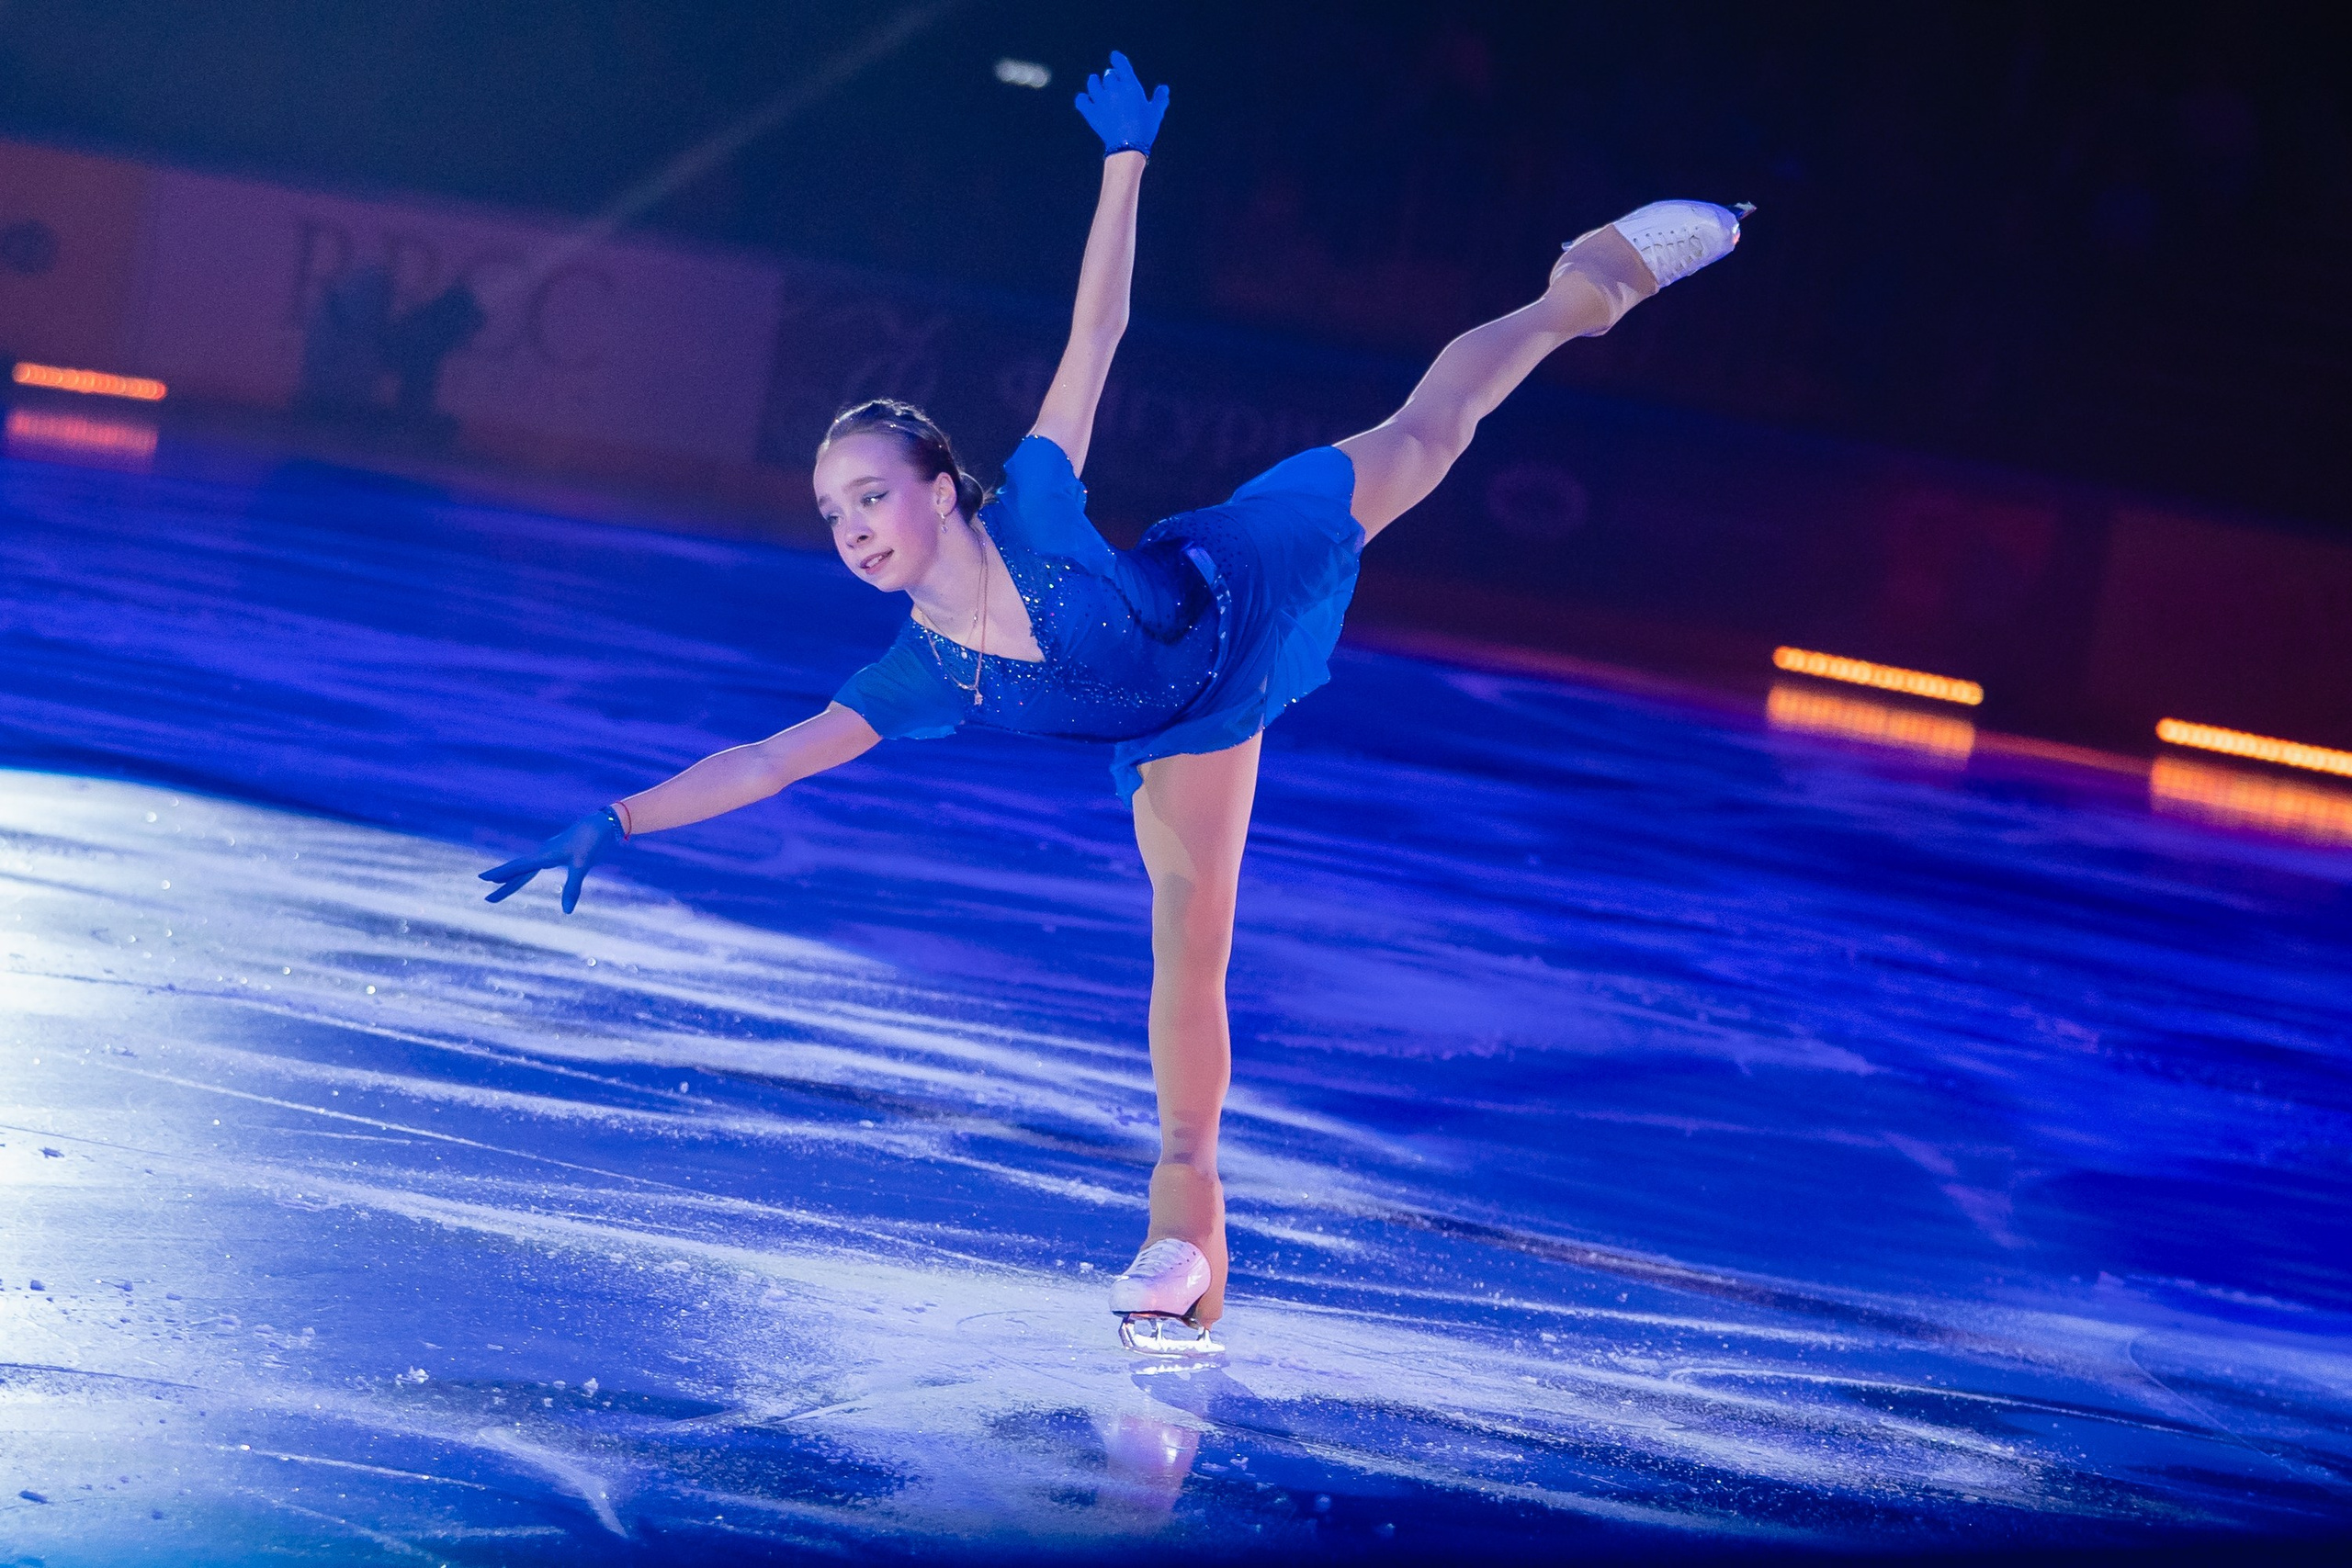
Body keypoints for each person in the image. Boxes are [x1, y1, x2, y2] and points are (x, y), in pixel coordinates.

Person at [481, 51, 1746, 1355]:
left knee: (1433, 432)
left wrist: (1124, 165)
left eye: (870, 495)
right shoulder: (922, 673)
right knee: (1188, 947)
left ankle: (1585, 285)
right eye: (831, 515)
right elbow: (766, 760)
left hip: (1241, 575)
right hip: (1186, 725)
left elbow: (1097, 333)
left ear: (940, 484)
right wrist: (618, 819)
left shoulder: (1030, 498)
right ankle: (1187, 1246)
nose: (852, 530)